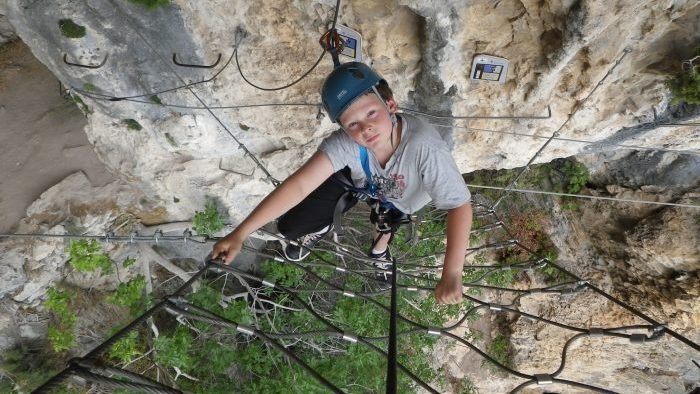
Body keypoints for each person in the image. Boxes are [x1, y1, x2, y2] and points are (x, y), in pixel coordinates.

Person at [212, 62, 472, 304]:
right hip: (363, 184)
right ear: (343, 128)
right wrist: (240, 233)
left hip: (401, 197)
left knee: (385, 223)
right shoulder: (346, 143)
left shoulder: (424, 148)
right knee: (290, 227)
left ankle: (379, 253)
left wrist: (451, 272)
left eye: (371, 113)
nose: (365, 128)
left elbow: (458, 205)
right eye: (352, 123)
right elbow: (299, 185)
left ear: (391, 106)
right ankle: (324, 226)